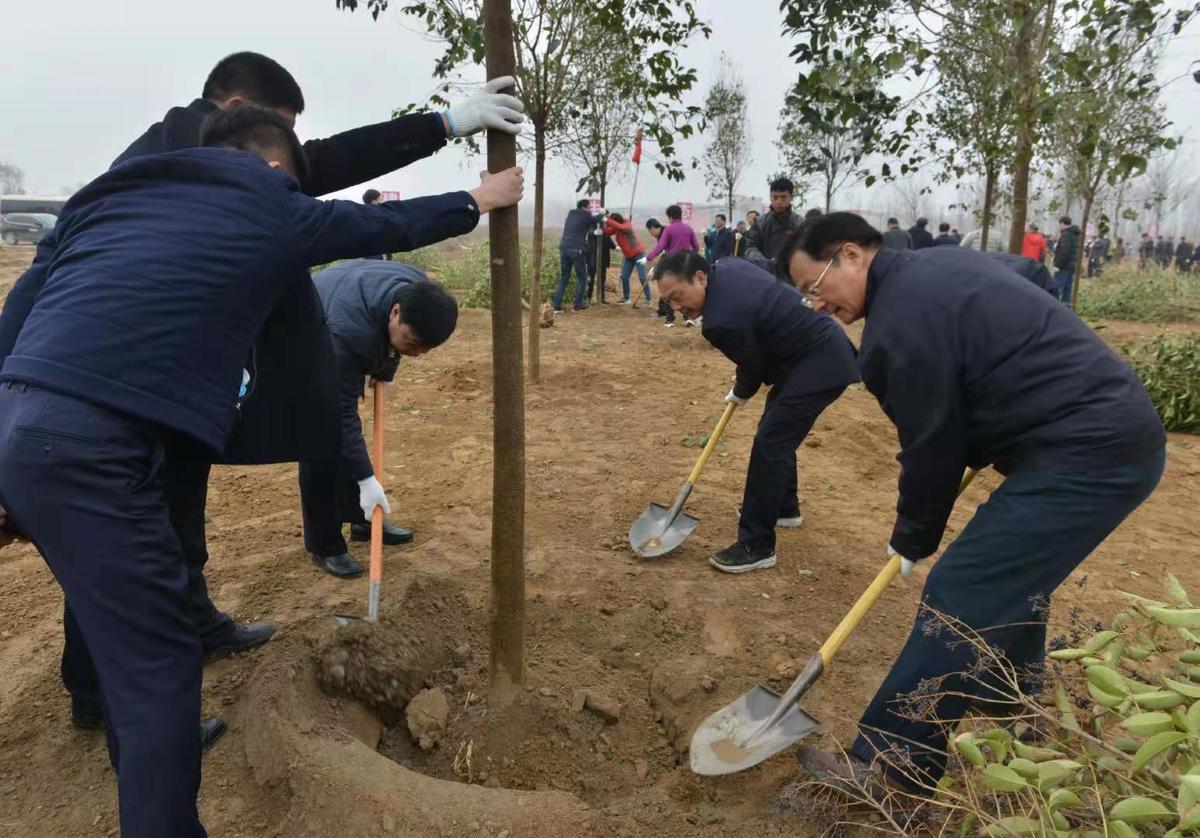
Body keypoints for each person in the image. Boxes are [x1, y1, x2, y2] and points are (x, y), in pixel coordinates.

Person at [0, 105, 523, 838]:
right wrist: (477, 201)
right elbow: (372, 228)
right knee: (158, 676)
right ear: (276, 168)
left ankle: (101, 705)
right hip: (97, 447)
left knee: (117, 614)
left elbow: (21, 304)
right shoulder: (261, 195)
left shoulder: (113, 191)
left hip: (23, 420)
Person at [778, 213, 1164, 798]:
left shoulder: (894, 331)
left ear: (852, 256)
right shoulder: (943, 264)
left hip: (1088, 451)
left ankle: (893, 765)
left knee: (963, 587)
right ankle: (1014, 700)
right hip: (1102, 432)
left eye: (814, 288)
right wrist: (1003, 387)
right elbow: (1027, 281)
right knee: (1007, 575)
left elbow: (933, 446)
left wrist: (913, 535)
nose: (816, 304)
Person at [654, 252, 859, 572]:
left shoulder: (720, 321)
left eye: (678, 297)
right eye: (670, 302)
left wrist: (741, 389)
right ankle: (784, 508)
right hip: (811, 350)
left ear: (700, 277)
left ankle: (756, 544)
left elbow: (755, 366)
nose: (677, 308)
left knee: (770, 442)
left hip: (820, 362)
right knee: (774, 428)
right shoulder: (728, 265)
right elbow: (765, 273)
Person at [301, 262, 458, 577]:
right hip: (303, 333)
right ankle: (325, 544)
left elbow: (395, 346)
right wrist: (365, 479)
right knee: (320, 438)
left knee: (346, 442)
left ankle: (362, 519)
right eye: (411, 344)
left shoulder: (418, 291)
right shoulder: (346, 336)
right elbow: (341, 417)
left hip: (346, 306)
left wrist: (385, 368)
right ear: (395, 312)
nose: (415, 354)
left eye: (425, 350)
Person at [645, 205, 700, 327]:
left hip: (671, 264)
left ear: (670, 216)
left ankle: (670, 319)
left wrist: (648, 257)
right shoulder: (688, 228)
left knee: (670, 290)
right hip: (686, 263)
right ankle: (687, 317)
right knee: (685, 290)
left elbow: (660, 246)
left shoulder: (669, 230)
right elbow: (696, 246)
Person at [744, 176, 803, 276]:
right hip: (765, 276)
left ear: (791, 197)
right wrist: (766, 263)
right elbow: (750, 247)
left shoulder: (800, 224)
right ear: (770, 197)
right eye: (775, 197)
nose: (779, 202)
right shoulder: (759, 223)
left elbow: (806, 251)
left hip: (792, 278)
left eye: (783, 197)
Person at [553, 199, 600, 312]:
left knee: (564, 277)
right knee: (582, 277)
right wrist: (600, 211)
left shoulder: (571, 214)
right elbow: (599, 219)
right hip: (577, 249)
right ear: (584, 208)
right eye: (589, 207)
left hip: (564, 248)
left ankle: (556, 306)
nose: (590, 210)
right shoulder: (586, 215)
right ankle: (578, 304)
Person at [604, 212, 651, 304]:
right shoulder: (616, 228)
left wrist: (607, 220)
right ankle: (626, 298)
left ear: (616, 221)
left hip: (638, 254)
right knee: (624, 277)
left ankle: (648, 299)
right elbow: (607, 231)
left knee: (642, 277)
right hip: (628, 256)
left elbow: (620, 227)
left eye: (612, 222)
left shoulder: (626, 225)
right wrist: (601, 225)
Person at [1053, 215, 1081, 305]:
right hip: (1072, 265)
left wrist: (1057, 264)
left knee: (1057, 287)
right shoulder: (1075, 235)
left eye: (1059, 224)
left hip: (1063, 266)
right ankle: (1066, 309)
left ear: (1062, 223)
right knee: (1067, 290)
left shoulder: (1066, 235)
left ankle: (1053, 306)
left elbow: (1064, 252)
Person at [586, 221, 617, 301]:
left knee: (598, 278)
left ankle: (598, 298)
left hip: (600, 259)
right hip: (594, 259)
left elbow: (611, 245)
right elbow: (589, 232)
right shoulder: (593, 229)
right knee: (593, 278)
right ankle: (591, 298)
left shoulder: (604, 232)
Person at [362, 189, 392, 260]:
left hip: (368, 251)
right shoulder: (379, 213)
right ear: (374, 201)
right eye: (380, 198)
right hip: (379, 251)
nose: (381, 201)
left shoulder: (362, 212)